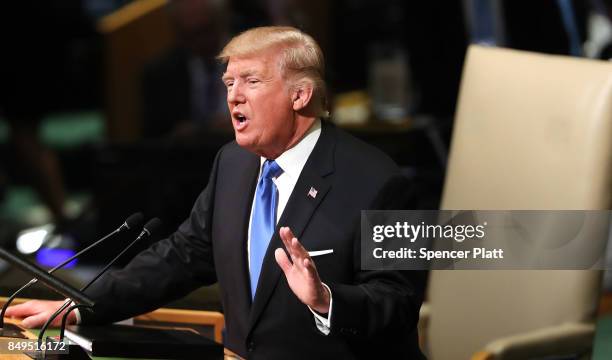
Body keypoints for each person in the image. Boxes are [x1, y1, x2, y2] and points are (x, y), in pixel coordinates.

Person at [7, 26, 425, 359]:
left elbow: (400, 303)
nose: (233, 96)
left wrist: (327, 300)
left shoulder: (382, 181)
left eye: (251, 81)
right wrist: (79, 305)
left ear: (300, 94)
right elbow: (182, 256)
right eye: (228, 83)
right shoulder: (233, 163)